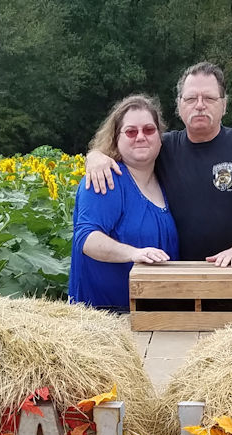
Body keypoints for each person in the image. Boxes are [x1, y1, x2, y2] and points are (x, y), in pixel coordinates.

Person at [85, 62, 232, 267]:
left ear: (224, 105)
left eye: (209, 98)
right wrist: (95, 156)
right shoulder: (164, 147)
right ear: (179, 105)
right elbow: (128, 146)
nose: (199, 105)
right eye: (190, 98)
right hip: (181, 275)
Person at [68, 94, 178, 310]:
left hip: (155, 316)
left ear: (160, 136)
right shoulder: (106, 178)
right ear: (115, 138)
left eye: (149, 130)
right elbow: (87, 239)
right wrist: (133, 254)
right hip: (106, 317)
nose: (140, 137)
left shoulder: (166, 177)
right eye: (130, 131)